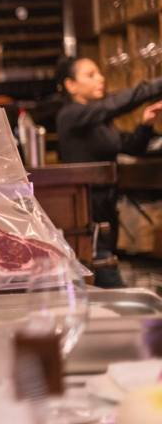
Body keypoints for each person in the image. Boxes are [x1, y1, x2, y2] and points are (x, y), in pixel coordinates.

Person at [55, 56, 162, 286]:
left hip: (107, 212)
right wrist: (155, 87)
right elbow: (113, 105)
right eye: (90, 75)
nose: (100, 79)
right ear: (70, 85)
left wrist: (145, 124)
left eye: (99, 73)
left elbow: (131, 147)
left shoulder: (98, 122)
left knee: (107, 282)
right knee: (110, 285)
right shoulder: (71, 116)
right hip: (87, 217)